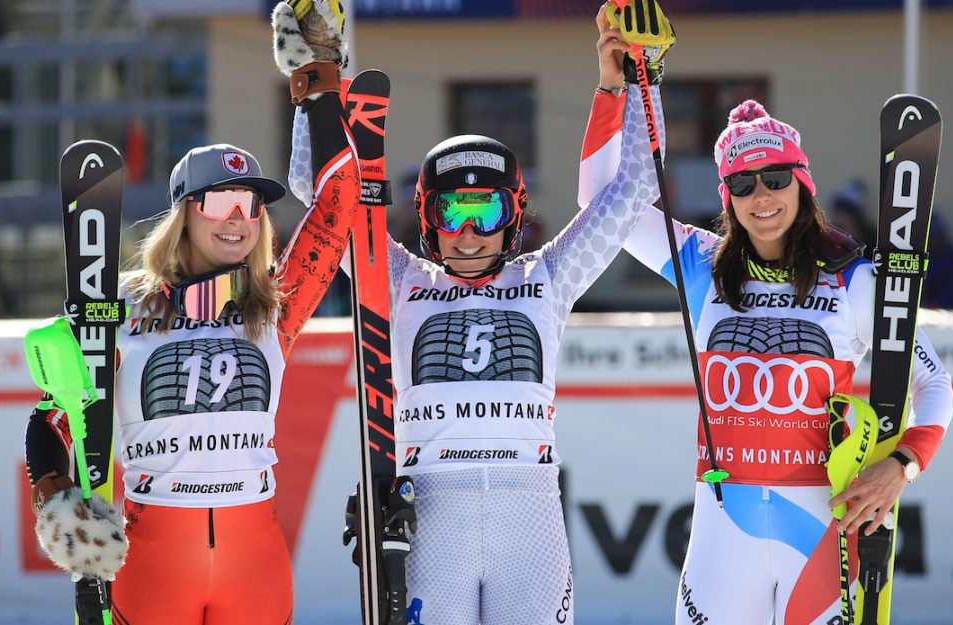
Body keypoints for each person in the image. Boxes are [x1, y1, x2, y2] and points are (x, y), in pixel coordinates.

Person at [279, 2, 669, 623]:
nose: (466, 234)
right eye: (451, 213)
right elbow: (316, 189)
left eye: (484, 214)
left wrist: (637, 78)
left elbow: (636, 189)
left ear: (512, 215)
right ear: (427, 217)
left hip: (530, 514)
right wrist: (316, 75)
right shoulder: (395, 275)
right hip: (431, 508)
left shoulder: (549, 274)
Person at [23, 3, 360, 624]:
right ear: (184, 214)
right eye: (220, 201)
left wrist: (318, 80)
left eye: (251, 204)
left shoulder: (272, 308)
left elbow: (339, 211)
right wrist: (57, 502)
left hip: (253, 557)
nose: (238, 216)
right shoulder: (115, 306)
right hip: (153, 558)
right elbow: (51, 421)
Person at [578, 75, 953, 623]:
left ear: (803, 183)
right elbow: (598, 203)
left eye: (776, 177)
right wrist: (612, 88)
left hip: (823, 525)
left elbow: (934, 383)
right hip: (722, 531)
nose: (762, 196)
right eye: (743, 183)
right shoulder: (700, 265)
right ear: (726, 195)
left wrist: (902, 465)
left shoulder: (852, 280)